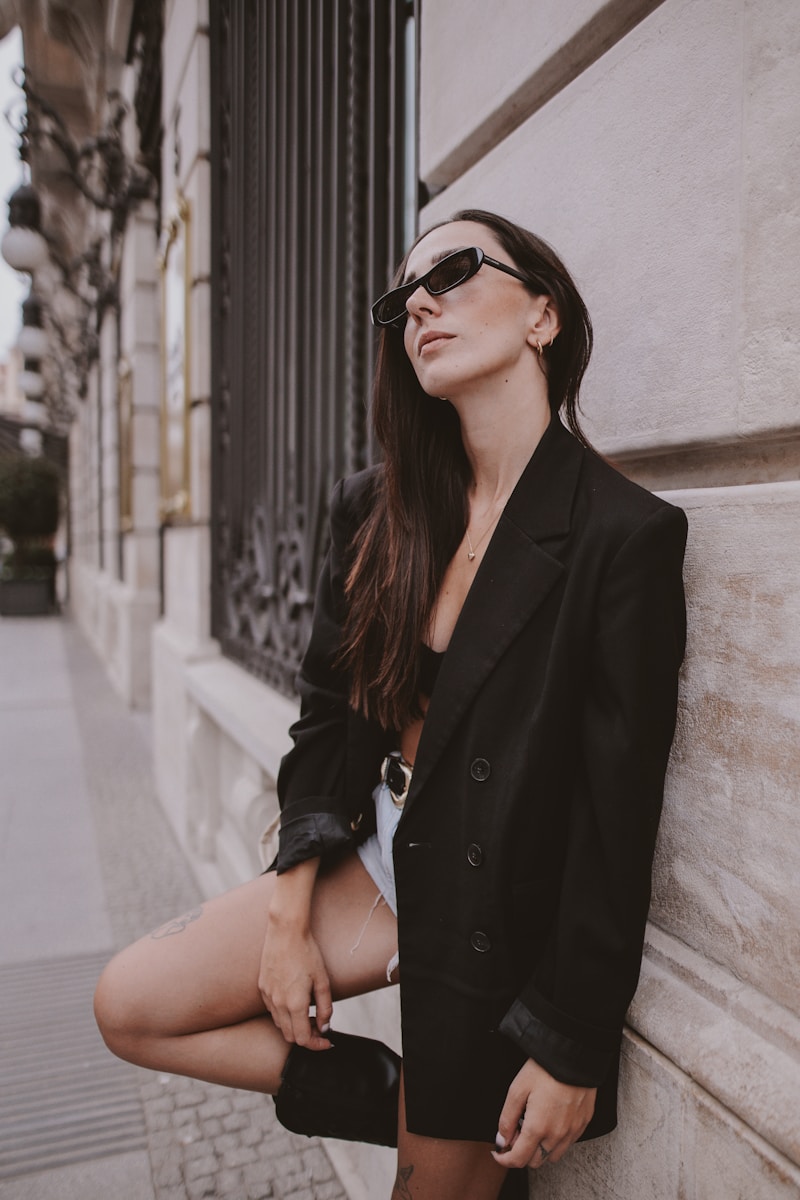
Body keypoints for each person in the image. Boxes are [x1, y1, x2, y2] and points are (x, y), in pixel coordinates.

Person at [94, 209, 687, 1199]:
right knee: (131, 1005)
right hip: (381, 854)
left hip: (496, 911)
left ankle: (456, 1126)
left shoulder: (619, 536)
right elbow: (327, 714)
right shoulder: (377, 508)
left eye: (452, 272)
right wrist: (289, 912)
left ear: (542, 314)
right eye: (399, 296)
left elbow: (612, 818)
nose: (416, 302)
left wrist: (568, 1044)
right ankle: (415, 1103)